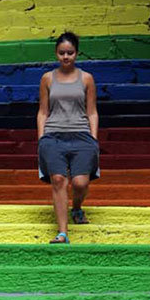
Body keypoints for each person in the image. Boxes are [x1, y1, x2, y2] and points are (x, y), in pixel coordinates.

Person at [37, 31, 100, 244]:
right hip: (53, 135)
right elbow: (43, 111)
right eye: (62, 53)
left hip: (81, 135)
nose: (66, 57)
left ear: (77, 53)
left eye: (70, 53)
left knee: (81, 183)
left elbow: (92, 111)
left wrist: (93, 137)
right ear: (56, 54)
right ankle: (62, 232)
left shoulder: (86, 78)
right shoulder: (47, 78)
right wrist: (41, 137)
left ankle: (77, 207)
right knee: (58, 180)